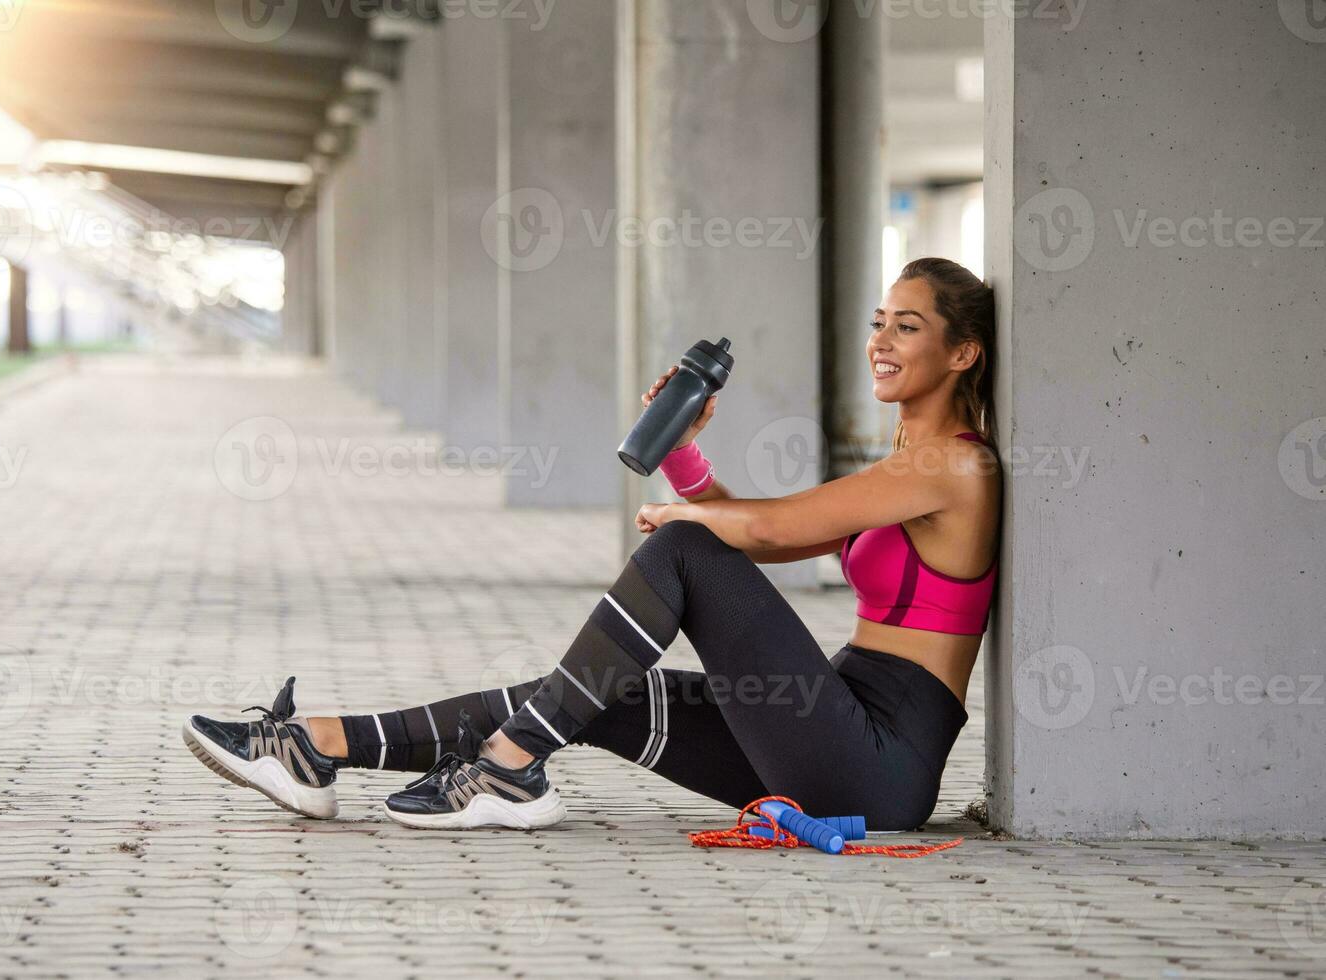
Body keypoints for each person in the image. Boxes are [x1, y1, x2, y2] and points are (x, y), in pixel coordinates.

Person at [183, 257, 1000, 832]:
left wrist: (688, 531)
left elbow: (771, 527)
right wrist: (682, 454)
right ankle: (319, 747)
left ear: (961, 353)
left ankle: (504, 770)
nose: (882, 341)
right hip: (833, 722)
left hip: (879, 761)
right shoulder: (901, 466)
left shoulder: (952, 465)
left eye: (909, 327)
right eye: (878, 323)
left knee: (683, 552)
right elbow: (768, 542)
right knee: (598, 693)